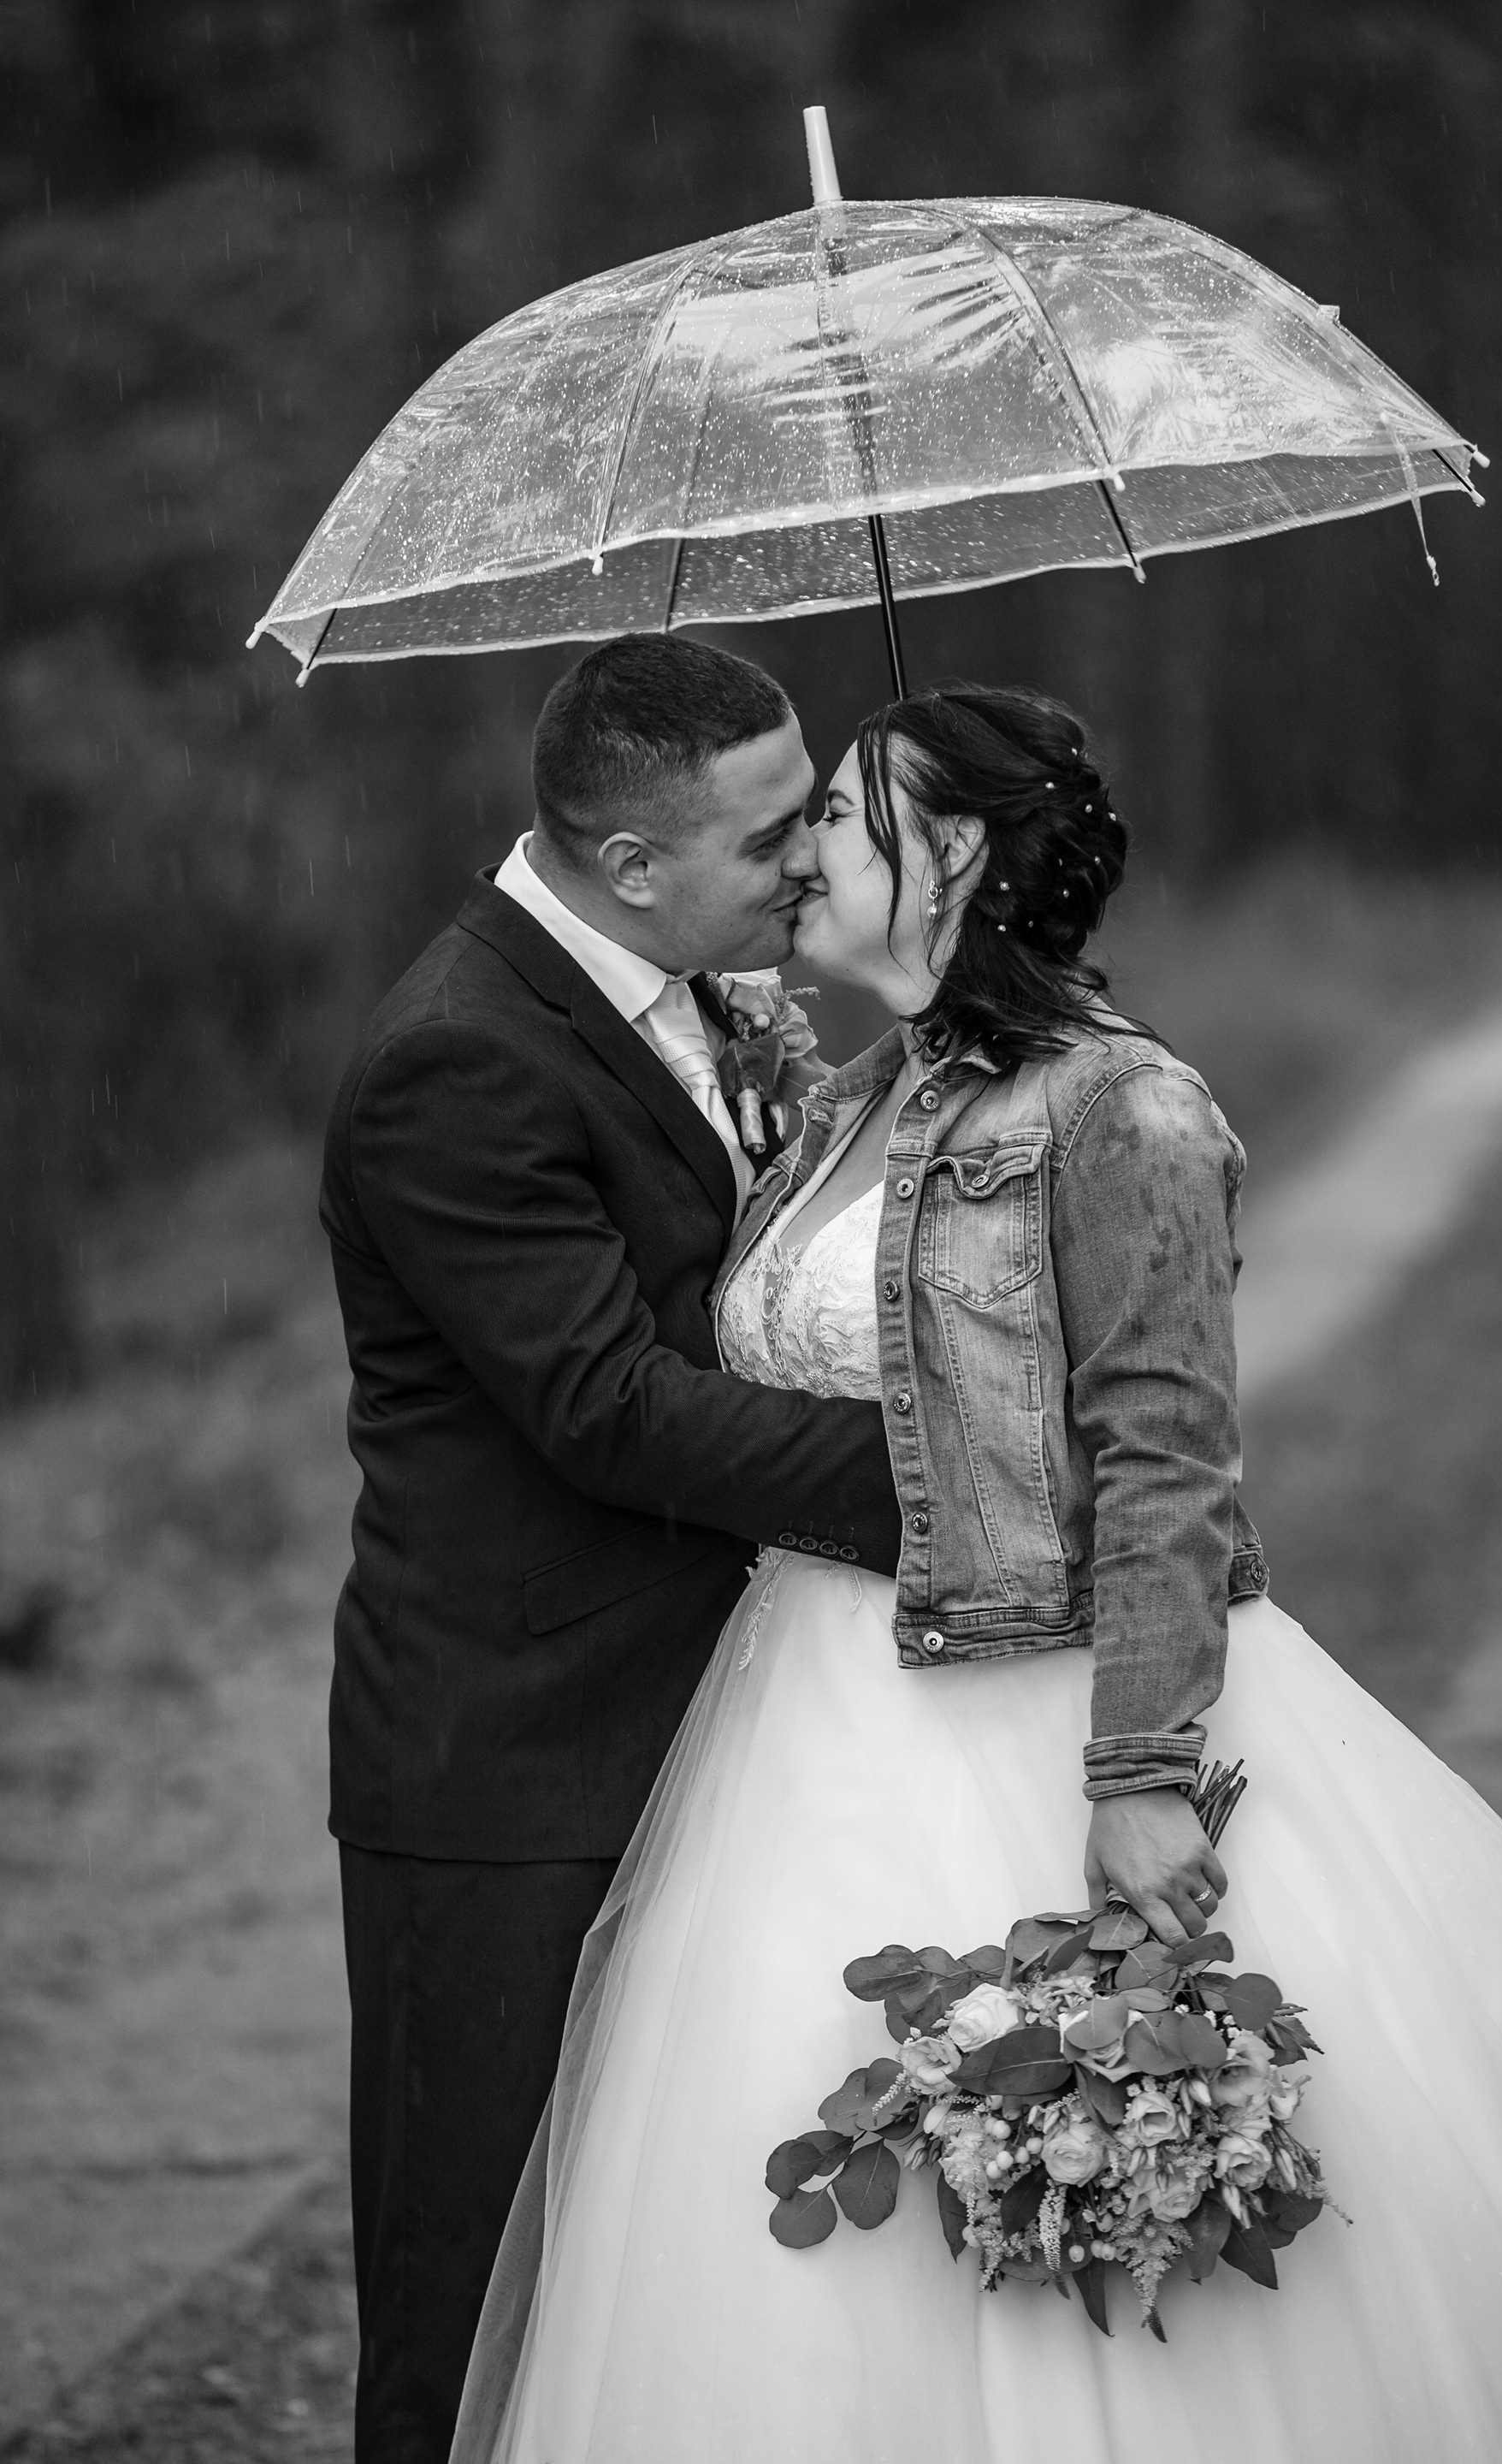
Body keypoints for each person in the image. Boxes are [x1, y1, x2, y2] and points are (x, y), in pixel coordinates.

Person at [454, 681, 1502, 2464]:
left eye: (839, 814)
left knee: (1111, 2179)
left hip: (1044, 1702)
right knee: (789, 2191)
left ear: (952, 852)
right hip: (804, 1724)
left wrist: (1142, 1775)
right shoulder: (855, 1094)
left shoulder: (1120, 1105)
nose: (804, 852)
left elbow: (1166, 1457)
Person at [318, 632, 902, 2464]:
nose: (811, 857)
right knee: (472, 2281)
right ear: (631, 863)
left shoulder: (694, 982)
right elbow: (609, 1408)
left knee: (649, 2278)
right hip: (516, 1751)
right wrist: (950, 1479)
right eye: (771, 836)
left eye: (813, 810)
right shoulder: (455, 1059)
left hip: (718, 1717)